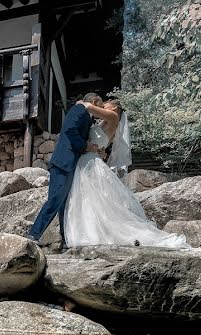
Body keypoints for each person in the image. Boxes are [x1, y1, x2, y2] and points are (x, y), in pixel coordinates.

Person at [61, 98, 190, 249]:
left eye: (106, 104)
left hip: (90, 162)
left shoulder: (113, 117)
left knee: (94, 199)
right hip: (86, 161)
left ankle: (94, 235)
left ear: (115, 108)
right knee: (90, 200)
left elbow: (88, 107)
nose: (103, 106)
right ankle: (88, 232)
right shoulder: (105, 120)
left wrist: (81, 104)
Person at [28, 93, 104, 247]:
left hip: (70, 164)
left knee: (65, 204)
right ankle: (33, 234)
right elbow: (69, 130)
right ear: (94, 101)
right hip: (64, 162)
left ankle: (65, 239)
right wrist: (85, 146)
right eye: (101, 105)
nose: (101, 110)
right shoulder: (79, 109)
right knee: (55, 200)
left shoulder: (87, 116)